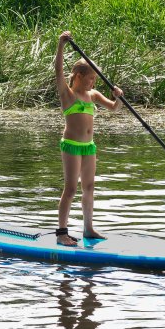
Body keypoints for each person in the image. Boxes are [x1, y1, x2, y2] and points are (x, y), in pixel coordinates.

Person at [55, 31, 123, 246]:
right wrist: (61, 45)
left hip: (89, 147)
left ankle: (88, 229)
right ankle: (62, 233)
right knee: (70, 189)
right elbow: (58, 71)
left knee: (89, 187)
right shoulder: (68, 94)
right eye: (91, 78)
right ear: (78, 76)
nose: (93, 82)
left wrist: (118, 98)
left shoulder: (92, 95)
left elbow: (114, 108)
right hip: (71, 146)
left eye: (95, 78)